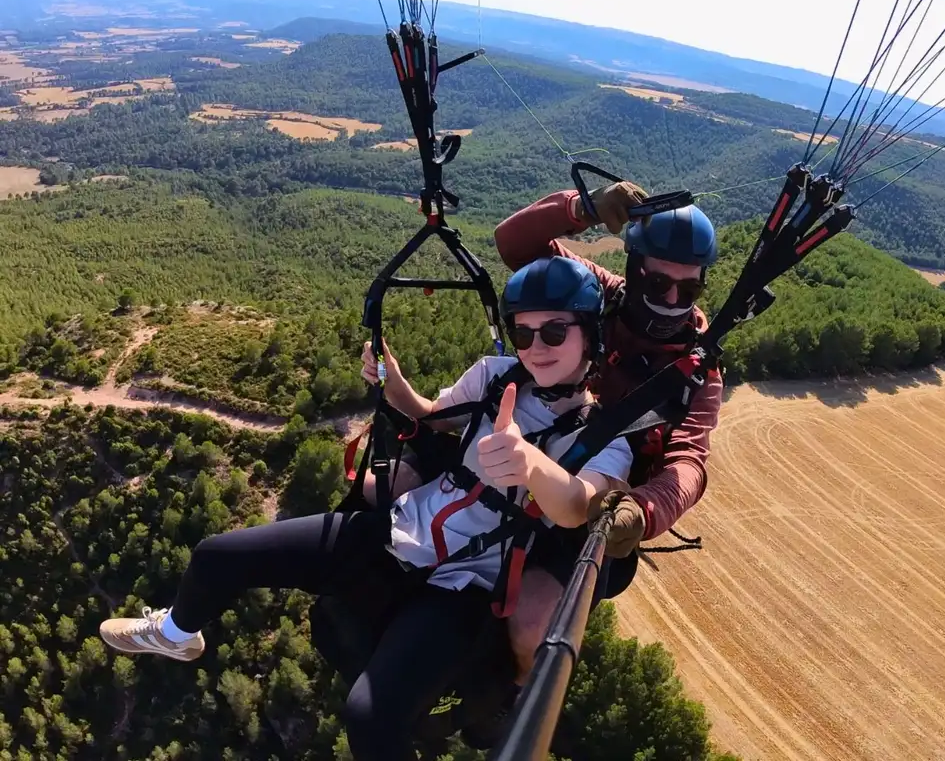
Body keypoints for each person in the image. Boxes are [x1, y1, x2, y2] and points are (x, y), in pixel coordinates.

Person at [95, 256, 633, 761]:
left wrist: (531, 464)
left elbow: (576, 507)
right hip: (397, 531)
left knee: (370, 717)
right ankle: (176, 634)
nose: (536, 346)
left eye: (555, 332)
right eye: (524, 331)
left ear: (591, 333)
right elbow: (431, 416)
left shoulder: (605, 436)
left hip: (467, 584)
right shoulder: (494, 376)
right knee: (216, 556)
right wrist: (393, 383)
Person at [491, 182, 725, 687]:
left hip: (594, 511)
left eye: (688, 290)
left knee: (533, 624)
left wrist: (641, 513)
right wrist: (583, 208)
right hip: (524, 453)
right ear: (636, 269)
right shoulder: (601, 295)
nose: (671, 300)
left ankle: (513, 695)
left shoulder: (697, 373)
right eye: (660, 283)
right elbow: (515, 245)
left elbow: (688, 464)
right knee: (394, 485)